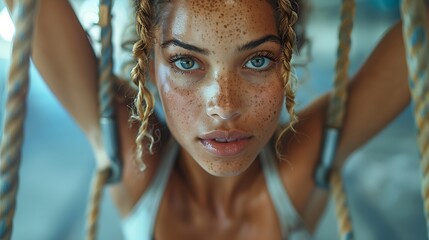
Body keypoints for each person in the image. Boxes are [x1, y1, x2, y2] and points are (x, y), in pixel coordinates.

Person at [4, 0, 427, 239]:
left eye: (257, 60)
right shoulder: (137, 157)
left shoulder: (302, 163)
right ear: (151, 68)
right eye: (187, 62)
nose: (224, 105)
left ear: (286, 66)